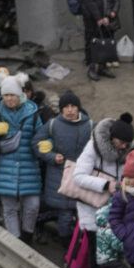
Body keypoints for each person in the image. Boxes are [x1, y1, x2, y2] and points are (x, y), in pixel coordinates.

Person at [72, 113, 134, 268]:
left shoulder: (124, 152)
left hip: (112, 212)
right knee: (96, 255)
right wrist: (106, 185)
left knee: (112, 255)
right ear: (112, 137)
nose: (123, 147)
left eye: (127, 144)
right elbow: (78, 176)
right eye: (121, 142)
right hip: (91, 209)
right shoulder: (93, 148)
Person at [0, 76, 43, 242]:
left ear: (20, 95)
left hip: (29, 167)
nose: (9, 99)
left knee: (33, 206)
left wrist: (45, 144)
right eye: (6, 95)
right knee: (9, 208)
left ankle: (27, 236)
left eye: (12, 95)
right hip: (4, 167)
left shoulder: (32, 113)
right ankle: (15, 241)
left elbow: (42, 136)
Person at [33, 91, 93, 246]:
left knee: (79, 214)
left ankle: (76, 247)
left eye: (73, 106)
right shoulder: (53, 124)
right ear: (61, 109)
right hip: (59, 177)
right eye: (66, 107)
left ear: (78, 108)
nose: (70, 110)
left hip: (81, 176)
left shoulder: (89, 125)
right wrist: (52, 157)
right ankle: (68, 246)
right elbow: (36, 143)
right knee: (65, 214)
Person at [79, 0, 118, 81]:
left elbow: (105, 0)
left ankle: (102, 67)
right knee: (93, 42)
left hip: (102, 18)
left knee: (103, 41)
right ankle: (91, 69)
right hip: (91, 19)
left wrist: (106, 16)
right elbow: (89, 2)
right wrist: (98, 18)